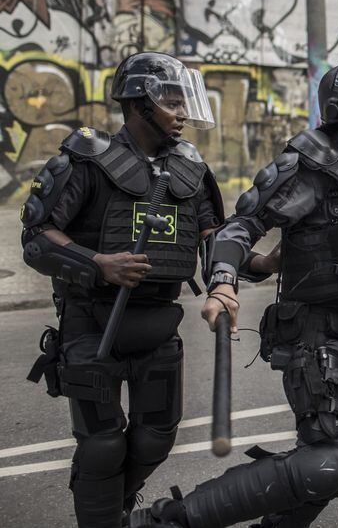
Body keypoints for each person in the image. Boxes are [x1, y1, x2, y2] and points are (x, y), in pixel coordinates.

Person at [128, 44, 338, 528]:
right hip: (319, 331)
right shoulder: (310, 164)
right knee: (327, 462)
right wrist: (224, 282)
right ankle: (168, 520)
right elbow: (240, 228)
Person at [20, 52, 222, 527]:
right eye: (171, 101)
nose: (182, 112)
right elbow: (36, 236)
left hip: (157, 322)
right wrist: (98, 263)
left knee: (156, 437)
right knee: (102, 443)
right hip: (92, 322)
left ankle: (115, 505)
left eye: (183, 101)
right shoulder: (87, 160)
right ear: (138, 103)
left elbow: (215, 236)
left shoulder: (191, 168)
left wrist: (237, 274)